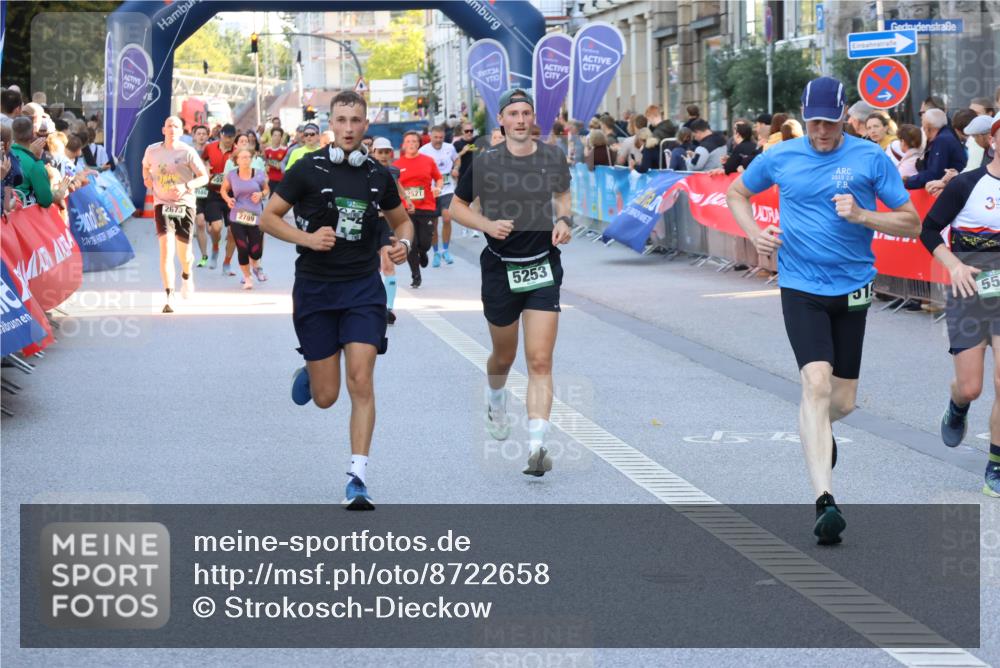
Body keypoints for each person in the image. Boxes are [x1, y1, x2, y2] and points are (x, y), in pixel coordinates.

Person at [726, 76, 920, 544]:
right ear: (803, 115)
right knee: (815, 382)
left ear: (844, 119)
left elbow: (912, 223)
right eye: (814, 122)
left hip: (854, 286)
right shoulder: (780, 155)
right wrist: (754, 233)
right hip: (800, 285)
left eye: (830, 122)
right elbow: (737, 194)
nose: (822, 131)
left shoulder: (870, 156)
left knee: (842, 402)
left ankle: (816, 429)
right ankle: (825, 502)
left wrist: (863, 215)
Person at [260, 90, 414, 510]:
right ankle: (313, 370)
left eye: (356, 121)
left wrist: (401, 243)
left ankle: (357, 478)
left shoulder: (377, 176)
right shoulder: (306, 168)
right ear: (331, 123)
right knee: (327, 396)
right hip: (315, 289)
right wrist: (307, 238)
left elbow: (401, 221)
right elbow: (268, 217)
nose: (349, 128)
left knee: (361, 380)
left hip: (363, 288)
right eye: (342, 120)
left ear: (366, 125)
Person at [450, 88, 573, 477]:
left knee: (539, 359)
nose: (521, 119)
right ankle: (496, 396)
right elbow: (454, 208)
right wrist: (487, 225)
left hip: (542, 267)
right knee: (504, 356)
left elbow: (563, 194)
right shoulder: (484, 163)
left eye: (526, 113)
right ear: (501, 121)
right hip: (501, 268)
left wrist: (564, 220)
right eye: (513, 114)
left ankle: (537, 446)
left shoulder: (552, 157)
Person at [921, 115, 1000, 497]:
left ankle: (996, 466)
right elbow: (929, 228)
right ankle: (957, 405)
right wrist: (952, 264)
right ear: (993, 140)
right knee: (971, 387)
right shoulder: (967, 183)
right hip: (970, 289)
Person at [142, 116, 209, 313]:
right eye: (169, 126)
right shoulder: (152, 150)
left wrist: (187, 185)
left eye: (176, 126)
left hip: (184, 205)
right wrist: (147, 178)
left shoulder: (187, 152)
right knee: (166, 250)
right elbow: (145, 166)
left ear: (181, 131)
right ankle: (169, 295)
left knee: (185, 255)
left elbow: (204, 177)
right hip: (162, 204)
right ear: (163, 129)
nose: (172, 129)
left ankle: (187, 276)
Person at [394, 130, 442, 288]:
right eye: (408, 141)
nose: (412, 144)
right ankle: (415, 275)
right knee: (411, 244)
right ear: (403, 144)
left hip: (426, 206)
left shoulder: (428, 161)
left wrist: (438, 188)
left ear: (419, 144)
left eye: (414, 141)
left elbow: (439, 178)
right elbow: (393, 187)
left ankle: (424, 252)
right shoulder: (397, 165)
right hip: (406, 209)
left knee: (425, 242)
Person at [221, 146, 269, 289]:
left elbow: (267, 189)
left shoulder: (259, 174)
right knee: (242, 248)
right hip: (237, 216)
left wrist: (261, 194)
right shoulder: (231, 175)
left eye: (248, 157)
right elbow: (224, 190)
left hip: (255, 217)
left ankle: (255, 265)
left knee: (256, 251)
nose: (246, 160)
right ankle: (247, 278)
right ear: (236, 160)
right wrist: (228, 200)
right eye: (242, 157)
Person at [372, 136, 408, 324]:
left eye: (387, 152)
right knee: (370, 267)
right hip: (368, 224)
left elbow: (400, 191)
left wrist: (407, 201)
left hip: (386, 223)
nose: (384, 156)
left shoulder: (393, 172)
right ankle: (373, 303)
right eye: (380, 152)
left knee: (388, 264)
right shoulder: (366, 171)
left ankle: (389, 308)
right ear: (374, 153)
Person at [418, 124, 460, 267]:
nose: (438, 140)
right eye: (436, 137)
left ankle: (445, 250)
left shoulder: (449, 148)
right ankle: (436, 252)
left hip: (447, 189)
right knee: (433, 224)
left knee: (447, 217)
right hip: (431, 191)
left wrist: (456, 168)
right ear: (430, 136)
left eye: (441, 137)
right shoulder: (423, 150)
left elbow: (457, 159)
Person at [202, 123, 237, 272]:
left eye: (231, 137)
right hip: (214, 193)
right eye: (226, 136)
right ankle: (215, 248)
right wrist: (205, 169)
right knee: (216, 227)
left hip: (232, 195)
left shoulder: (237, 152)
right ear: (221, 135)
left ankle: (227, 262)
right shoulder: (210, 148)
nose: (228, 140)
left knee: (233, 231)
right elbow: (202, 160)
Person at [904, 108, 966, 189]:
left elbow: (934, 174)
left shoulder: (942, 140)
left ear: (928, 128)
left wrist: (908, 181)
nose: (923, 131)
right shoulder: (947, 135)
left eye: (923, 127)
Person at [9, 117, 55, 207]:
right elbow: (46, 200)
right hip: (23, 214)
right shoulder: (34, 163)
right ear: (33, 134)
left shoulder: (5, 154)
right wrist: (38, 160)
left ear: (12, 134)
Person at [189, 124, 212, 267]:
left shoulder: (213, 149)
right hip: (196, 190)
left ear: (208, 135)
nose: (201, 136)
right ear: (194, 135)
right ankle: (204, 256)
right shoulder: (188, 151)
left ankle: (215, 246)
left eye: (204, 133)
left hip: (211, 191)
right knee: (200, 223)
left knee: (212, 228)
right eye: (199, 133)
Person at [263, 129, 288, 194]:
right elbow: (265, 163)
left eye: (279, 135)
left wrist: (270, 162)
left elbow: (283, 165)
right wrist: (266, 165)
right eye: (275, 135)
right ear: (271, 137)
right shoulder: (267, 150)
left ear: (281, 138)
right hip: (271, 180)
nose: (277, 137)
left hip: (281, 179)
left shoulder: (285, 150)